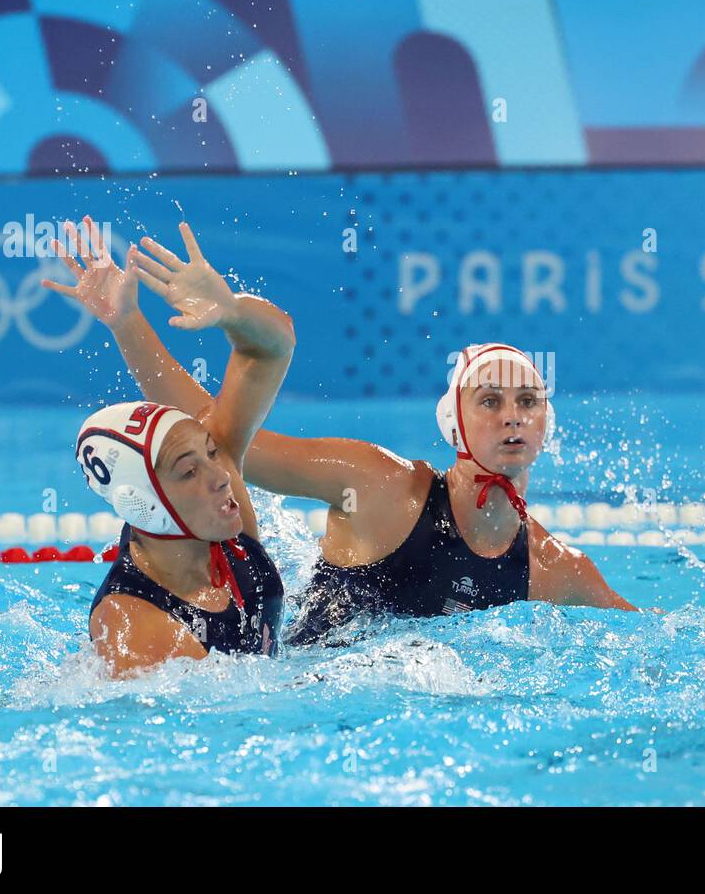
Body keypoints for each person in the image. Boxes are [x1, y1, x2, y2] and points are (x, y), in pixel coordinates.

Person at [50, 218, 636, 646]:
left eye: (528, 401)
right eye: (490, 400)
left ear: (545, 426)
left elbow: (656, 639)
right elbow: (224, 443)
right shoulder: (378, 484)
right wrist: (136, 323)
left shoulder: (558, 568)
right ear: (454, 422)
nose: (512, 415)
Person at [42, 218, 295, 676]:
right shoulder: (136, 633)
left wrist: (229, 311)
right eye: (188, 470)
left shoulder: (216, 516)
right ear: (145, 502)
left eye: (211, 454)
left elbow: (271, 348)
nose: (221, 474)